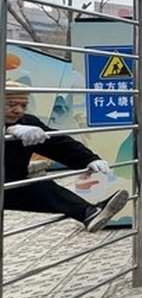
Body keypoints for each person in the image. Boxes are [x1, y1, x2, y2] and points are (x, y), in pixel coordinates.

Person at [3, 81, 129, 232]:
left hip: (10, 187)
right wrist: (5, 131)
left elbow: (57, 144)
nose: (18, 110)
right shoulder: (19, 126)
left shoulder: (27, 123)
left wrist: (89, 159)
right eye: (11, 104)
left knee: (41, 187)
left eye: (23, 106)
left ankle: (90, 213)